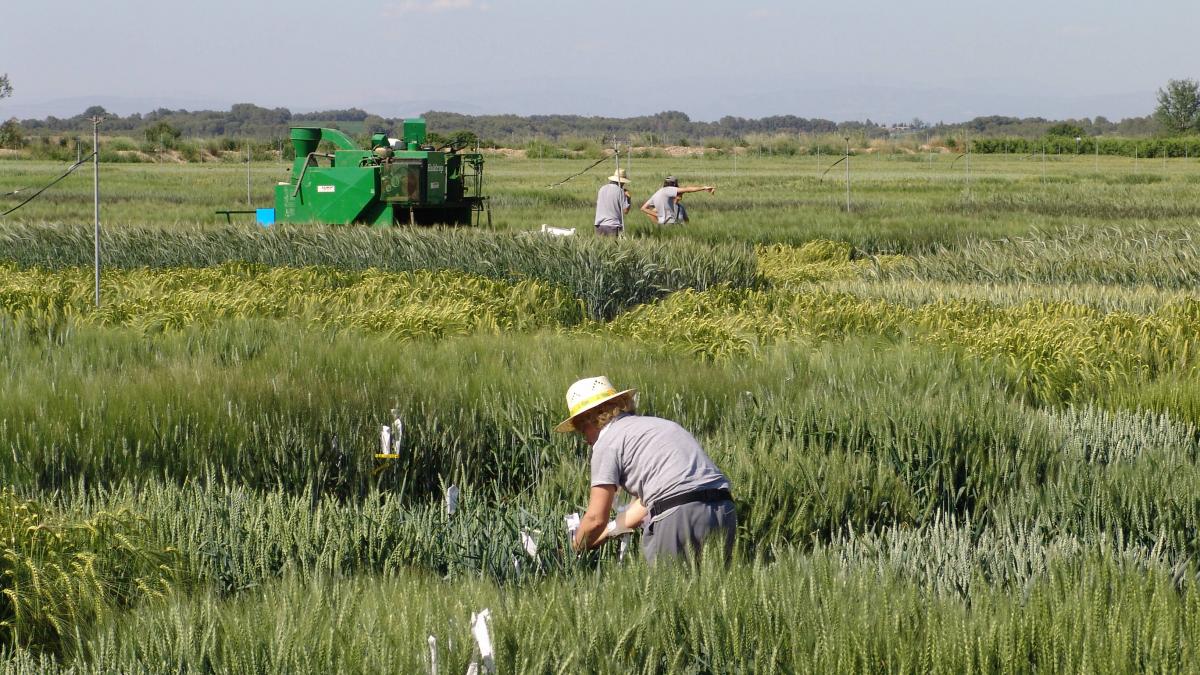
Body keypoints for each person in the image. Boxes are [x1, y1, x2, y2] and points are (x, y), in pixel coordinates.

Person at [554, 376, 736, 565]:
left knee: (669, 592)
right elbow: (648, 503)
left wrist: (574, 548)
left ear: (590, 420)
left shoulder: (606, 443)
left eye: (583, 431)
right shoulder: (658, 425)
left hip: (677, 515)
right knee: (710, 589)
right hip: (724, 508)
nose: (586, 440)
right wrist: (606, 534)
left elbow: (595, 518)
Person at [640, 176, 715, 225]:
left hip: (664, 225)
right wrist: (704, 188)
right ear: (674, 184)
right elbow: (688, 189)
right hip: (670, 225)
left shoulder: (658, 192)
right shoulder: (669, 189)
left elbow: (643, 208)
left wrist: (659, 217)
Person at [594, 169, 632, 237]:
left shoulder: (602, 189)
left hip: (599, 226)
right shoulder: (620, 191)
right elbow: (626, 211)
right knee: (614, 247)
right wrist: (628, 198)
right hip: (613, 226)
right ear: (622, 182)